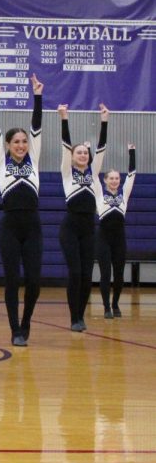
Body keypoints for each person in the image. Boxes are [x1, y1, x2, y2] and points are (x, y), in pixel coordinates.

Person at [0, 76, 43, 346]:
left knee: (34, 281)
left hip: (32, 226)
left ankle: (26, 323)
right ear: (8, 146)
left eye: (23, 141)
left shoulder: (34, 161)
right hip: (9, 227)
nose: (21, 145)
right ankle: (14, 330)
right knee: (12, 280)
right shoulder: (1, 163)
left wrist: (38, 97)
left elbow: (37, 129)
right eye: (16, 142)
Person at [57, 102, 108, 332]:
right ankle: (73, 317)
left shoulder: (93, 173)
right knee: (75, 272)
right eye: (79, 152)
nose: (83, 155)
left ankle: (81, 316)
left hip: (89, 227)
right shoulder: (67, 172)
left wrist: (104, 121)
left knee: (87, 275)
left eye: (85, 153)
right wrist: (64, 118)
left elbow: (102, 147)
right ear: (73, 156)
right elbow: (65, 144)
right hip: (70, 227)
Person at [97, 144, 135, 319]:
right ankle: (106, 308)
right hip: (103, 238)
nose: (114, 181)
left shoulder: (123, 195)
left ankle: (116, 304)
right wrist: (90, 153)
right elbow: (91, 174)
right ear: (105, 180)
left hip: (119, 239)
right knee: (105, 273)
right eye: (111, 178)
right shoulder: (99, 195)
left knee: (119, 274)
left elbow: (132, 175)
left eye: (116, 178)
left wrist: (131, 153)